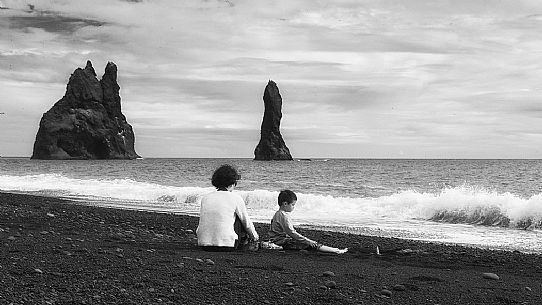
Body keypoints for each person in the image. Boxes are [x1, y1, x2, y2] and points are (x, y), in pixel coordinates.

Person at [196, 164, 259, 251]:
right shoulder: (235, 198)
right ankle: (244, 243)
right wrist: (255, 237)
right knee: (239, 218)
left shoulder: (205, 198)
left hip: (203, 244)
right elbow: (246, 223)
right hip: (227, 245)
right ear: (232, 183)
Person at [269, 190, 348, 254]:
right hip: (282, 242)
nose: (294, 207)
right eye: (293, 205)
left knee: (307, 243)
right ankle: (336, 250)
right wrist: (307, 241)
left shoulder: (277, 213)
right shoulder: (283, 216)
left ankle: (334, 250)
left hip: (276, 240)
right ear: (285, 204)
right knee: (311, 244)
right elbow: (291, 232)